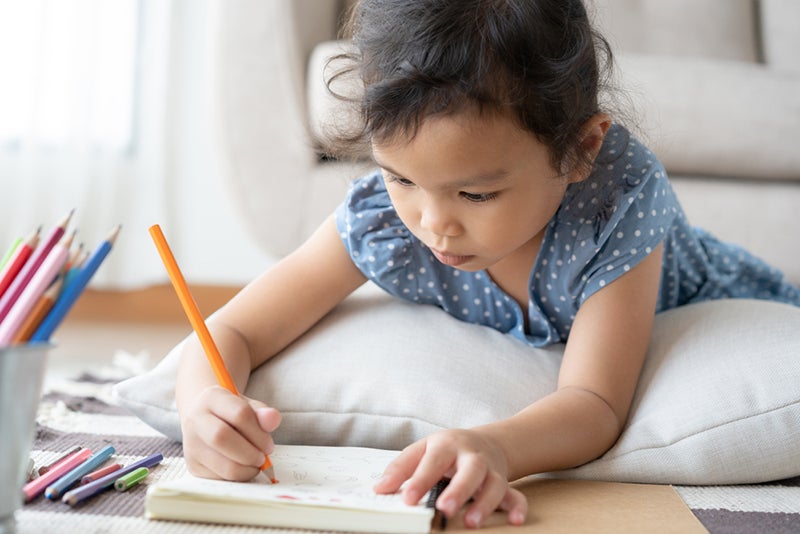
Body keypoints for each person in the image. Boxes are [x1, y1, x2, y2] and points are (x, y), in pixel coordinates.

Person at [175, 0, 800, 528]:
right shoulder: (382, 218)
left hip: (710, 291)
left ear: (580, 148)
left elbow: (594, 403)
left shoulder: (618, 202)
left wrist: (495, 444)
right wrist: (202, 402)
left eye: (475, 194)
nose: (433, 223)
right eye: (401, 177)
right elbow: (231, 331)